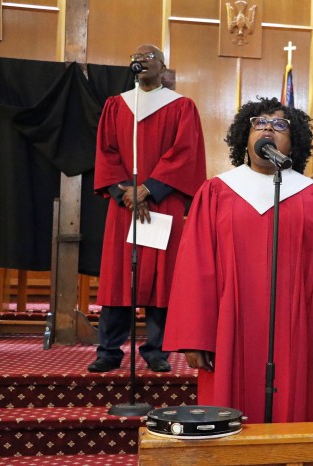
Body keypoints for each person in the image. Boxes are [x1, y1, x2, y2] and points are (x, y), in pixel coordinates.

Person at [162, 97, 313, 423]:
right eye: (259, 123)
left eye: (279, 125)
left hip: (294, 332)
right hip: (226, 332)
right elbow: (195, 268)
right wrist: (194, 335)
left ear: (295, 141)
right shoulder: (217, 191)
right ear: (244, 137)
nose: (267, 129)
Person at [88, 44, 207, 373]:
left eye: (148, 56)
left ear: (163, 66)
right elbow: (106, 152)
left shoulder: (181, 107)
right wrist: (124, 191)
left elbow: (185, 154)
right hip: (124, 204)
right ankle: (109, 350)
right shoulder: (117, 105)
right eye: (136, 57)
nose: (140, 60)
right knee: (117, 277)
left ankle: (156, 350)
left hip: (160, 203)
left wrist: (149, 189)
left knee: (161, 278)